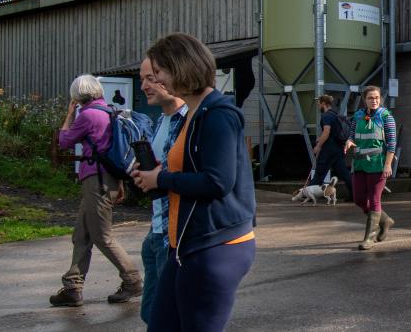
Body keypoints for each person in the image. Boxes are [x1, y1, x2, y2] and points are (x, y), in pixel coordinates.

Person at [132, 33, 257, 331]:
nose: (157, 80)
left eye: (159, 72)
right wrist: (159, 177)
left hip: (215, 246)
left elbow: (218, 182)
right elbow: (197, 170)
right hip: (185, 245)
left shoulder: (218, 115)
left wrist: (161, 177)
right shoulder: (195, 113)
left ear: (179, 68)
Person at [50, 75, 142, 307]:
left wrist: (70, 114)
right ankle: (72, 287)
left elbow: (64, 141)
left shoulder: (88, 115)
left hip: (96, 182)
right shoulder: (109, 112)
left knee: (102, 236)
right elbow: (112, 151)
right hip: (107, 179)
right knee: (81, 234)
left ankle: (132, 280)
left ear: (77, 95)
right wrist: (119, 183)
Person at [137, 58, 187, 324]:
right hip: (155, 232)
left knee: (169, 319)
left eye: (151, 78)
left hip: (174, 238)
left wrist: (160, 178)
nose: (144, 85)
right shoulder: (161, 119)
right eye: (142, 78)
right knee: (150, 315)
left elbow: (203, 180)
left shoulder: (190, 121)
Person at [343, 85, 397, 250]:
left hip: (377, 163)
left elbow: (392, 144)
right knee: (359, 199)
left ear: (380, 99)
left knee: (374, 199)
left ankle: (369, 238)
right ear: (364, 100)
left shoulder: (386, 117)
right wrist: (349, 141)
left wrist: (388, 165)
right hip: (359, 163)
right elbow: (352, 135)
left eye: (377, 98)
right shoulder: (358, 116)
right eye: (370, 98)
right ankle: (385, 220)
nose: (374, 101)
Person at [311, 95, 352, 200]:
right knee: (344, 173)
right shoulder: (335, 115)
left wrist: (319, 146)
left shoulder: (326, 116)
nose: (318, 105)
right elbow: (332, 132)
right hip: (338, 148)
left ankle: (311, 195)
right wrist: (320, 138)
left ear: (323, 103)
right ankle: (355, 195)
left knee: (320, 172)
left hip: (328, 149)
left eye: (319, 103)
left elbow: (327, 131)